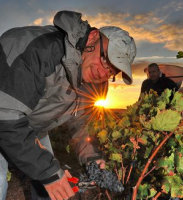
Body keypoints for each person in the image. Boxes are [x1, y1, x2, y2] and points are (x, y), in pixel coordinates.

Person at [0, 10, 136, 200]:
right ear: (92, 39)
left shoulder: (90, 77)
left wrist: (91, 157)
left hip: (29, 126)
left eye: (113, 71)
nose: (104, 73)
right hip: (5, 117)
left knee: (50, 179)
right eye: (106, 60)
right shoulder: (40, 50)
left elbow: (81, 124)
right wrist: (47, 171)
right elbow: (6, 115)